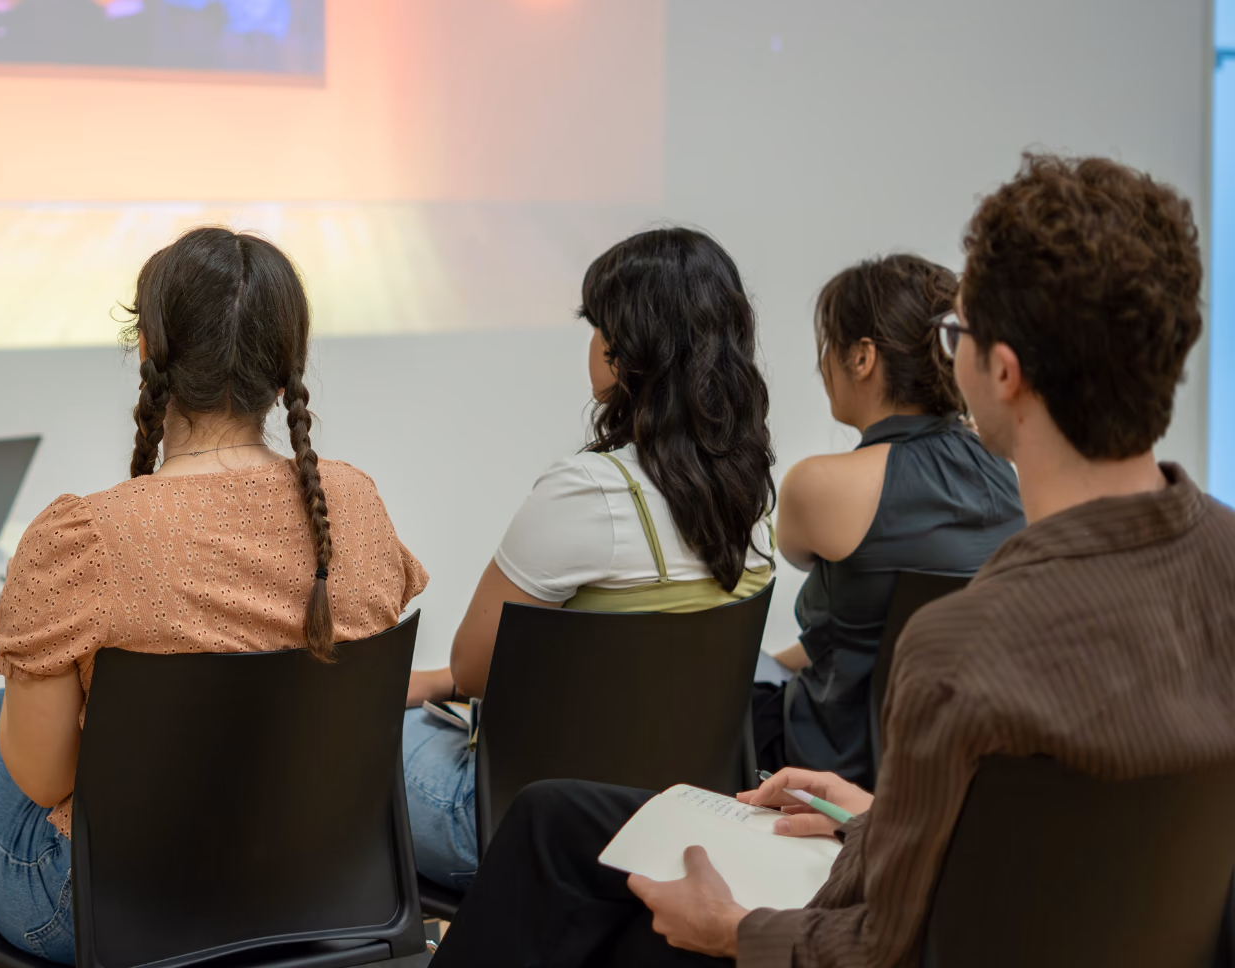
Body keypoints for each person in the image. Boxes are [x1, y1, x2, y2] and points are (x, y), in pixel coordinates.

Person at [427, 153, 1235, 967]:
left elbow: (881, 946)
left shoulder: (967, 645)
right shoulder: (1222, 563)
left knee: (583, 876)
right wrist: (876, 818)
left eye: (959, 336)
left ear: (1005, 372)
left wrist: (733, 929)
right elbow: (1054, 853)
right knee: (552, 817)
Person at [0, 228, 429, 968]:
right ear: (287, 366)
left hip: (121, 911)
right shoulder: (353, 505)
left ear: (151, 351)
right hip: (324, 887)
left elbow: (46, 778)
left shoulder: (84, 535)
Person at [399, 227, 777, 892]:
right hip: (688, 824)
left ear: (625, 349)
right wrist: (438, 682)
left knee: (350, 740)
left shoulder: (589, 491)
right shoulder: (754, 498)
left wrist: (435, 682)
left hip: (530, 834)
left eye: (597, 325)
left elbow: (474, 667)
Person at [758, 254, 1023, 783]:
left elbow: (796, 555)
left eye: (827, 347)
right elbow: (878, 632)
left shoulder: (818, 486)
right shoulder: (1005, 475)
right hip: (946, 767)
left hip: (828, 761)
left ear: (862, 357)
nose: (821, 367)